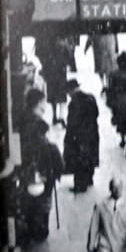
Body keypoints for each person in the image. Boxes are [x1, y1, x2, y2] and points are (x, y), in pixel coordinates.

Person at [18, 88, 63, 245]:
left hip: (28, 170)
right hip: (41, 170)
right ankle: (39, 231)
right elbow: (44, 149)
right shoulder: (39, 125)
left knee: (31, 202)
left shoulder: (23, 119)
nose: (44, 107)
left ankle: (32, 229)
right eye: (42, 103)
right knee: (42, 203)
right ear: (36, 104)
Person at [63, 78, 100, 193]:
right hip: (92, 132)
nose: (68, 95)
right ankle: (89, 179)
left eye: (68, 92)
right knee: (90, 156)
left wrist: (68, 138)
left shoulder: (73, 103)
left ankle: (80, 185)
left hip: (79, 136)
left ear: (72, 90)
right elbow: (96, 113)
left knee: (79, 160)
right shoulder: (91, 97)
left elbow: (71, 123)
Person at [87, 177, 126, 252]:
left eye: (119, 187)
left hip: (123, 246)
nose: (116, 190)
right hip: (105, 245)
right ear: (110, 189)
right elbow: (94, 226)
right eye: (114, 187)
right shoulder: (100, 206)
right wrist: (91, 245)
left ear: (122, 188)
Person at [36, 34, 76, 125]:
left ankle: (56, 116)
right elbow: (70, 56)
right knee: (60, 94)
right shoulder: (62, 42)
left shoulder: (44, 40)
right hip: (59, 71)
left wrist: (45, 62)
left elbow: (38, 53)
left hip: (52, 71)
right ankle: (60, 116)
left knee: (54, 94)